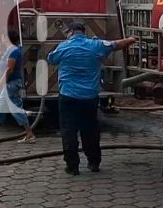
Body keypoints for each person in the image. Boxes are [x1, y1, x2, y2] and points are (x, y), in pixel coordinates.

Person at [47, 22, 136, 175]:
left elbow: (51, 59)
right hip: (89, 97)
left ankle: (72, 166)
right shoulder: (96, 45)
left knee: (69, 131)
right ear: (83, 32)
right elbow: (117, 44)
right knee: (90, 130)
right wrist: (131, 39)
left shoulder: (63, 47)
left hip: (68, 96)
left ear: (70, 32)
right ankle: (94, 162)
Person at [0, 29, 36, 143]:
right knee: (0, 108)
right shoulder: (10, 50)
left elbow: (9, 70)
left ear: (7, 38)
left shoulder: (13, 52)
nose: (1, 39)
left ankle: (29, 133)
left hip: (11, 84)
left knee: (15, 108)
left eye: (3, 37)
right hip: (9, 84)